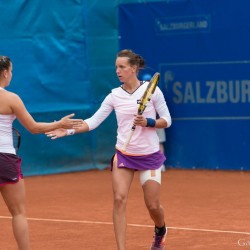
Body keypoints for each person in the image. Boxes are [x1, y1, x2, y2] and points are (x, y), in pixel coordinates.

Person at [46, 49, 172, 250]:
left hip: (149, 156)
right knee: (119, 199)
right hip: (124, 155)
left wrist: (148, 122)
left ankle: (160, 230)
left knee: (153, 205)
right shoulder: (114, 96)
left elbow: (167, 120)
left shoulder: (153, 91)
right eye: (116, 67)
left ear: (133, 68)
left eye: (122, 67)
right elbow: (93, 121)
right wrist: (68, 131)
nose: (118, 71)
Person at [0, 55, 83, 250]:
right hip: (5, 158)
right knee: (18, 212)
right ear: (4, 73)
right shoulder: (11, 98)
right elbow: (34, 128)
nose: (12, 74)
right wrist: (60, 124)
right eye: (11, 71)